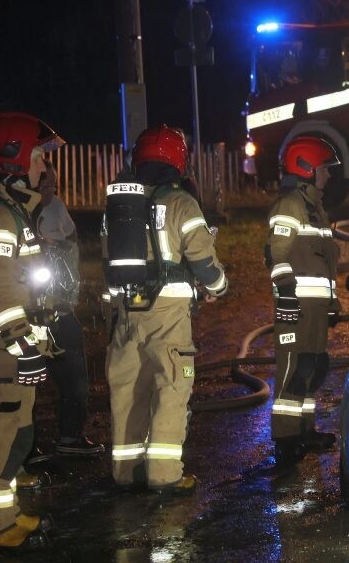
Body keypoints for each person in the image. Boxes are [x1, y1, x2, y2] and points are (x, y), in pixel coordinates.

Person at [104, 125, 227, 495]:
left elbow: (108, 264)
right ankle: (164, 474)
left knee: (128, 391)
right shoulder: (181, 203)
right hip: (168, 313)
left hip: (126, 312)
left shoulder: (119, 207)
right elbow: (203, 260)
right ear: (178, 160)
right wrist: (219, 286)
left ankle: (126, 472)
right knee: (171, 386)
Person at [0, 111, 64, 549]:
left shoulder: (15, 212)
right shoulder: (0, 215)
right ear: (14, 158)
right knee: (2, 434)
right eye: (39, 155)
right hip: (3, 348)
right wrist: (22, 341)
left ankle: (6, 512)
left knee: (17, 431)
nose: (45, 166)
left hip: (14, 346)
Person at [265, 136, 342, 466]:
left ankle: (305, 430)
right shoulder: (290, 205)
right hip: (294, 306)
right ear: (307, 168)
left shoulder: (315, 207)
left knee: (313, 367)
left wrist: (333, 301)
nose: (329, 176)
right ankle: (286, 437)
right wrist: (285, 294)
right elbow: (276, 252)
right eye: (325, 169)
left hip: (315, 308)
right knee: (292, 371)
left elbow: (325, 262)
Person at [34, 165, 105, 457]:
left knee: (75, 374)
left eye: (52, 186)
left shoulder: (57, 207)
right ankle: (27, 446)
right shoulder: (18, 212)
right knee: (28, 381)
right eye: (43, 185)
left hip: (63, 308)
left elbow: (73, 239)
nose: (48, 192)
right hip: (34, 314)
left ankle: (71, 435)